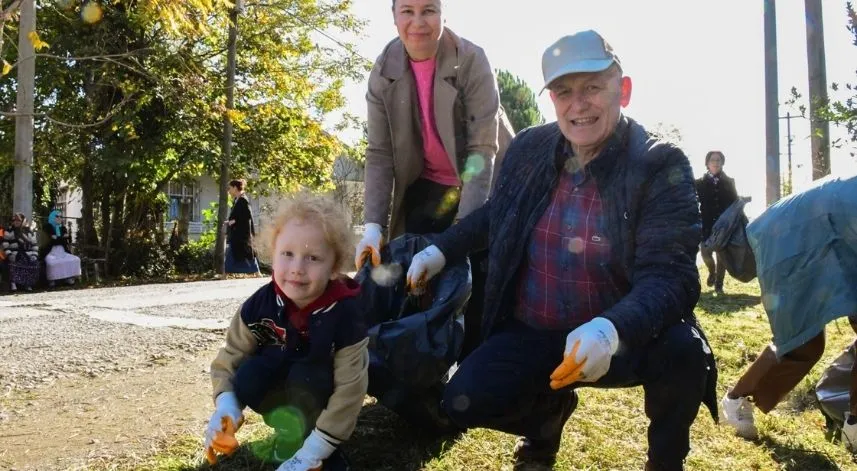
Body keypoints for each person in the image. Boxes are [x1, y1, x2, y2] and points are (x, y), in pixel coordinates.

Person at [406, 30, 717, 470]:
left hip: (621, 333)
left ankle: (665, 462)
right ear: (551, 99)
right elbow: (499, 214)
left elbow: (672, 277)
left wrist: (610, 329)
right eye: (563, 91)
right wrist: (439, 252)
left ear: (623, 91)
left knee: (684, 351)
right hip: (535, 329)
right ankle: (545, 422)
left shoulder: (658, 163)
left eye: (592, 87)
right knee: (463, 400)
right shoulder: (530, 148)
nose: (578, 105)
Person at [205, 192, 368, 471]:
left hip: (319, 391)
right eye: (287, 254)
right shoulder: (259, 304)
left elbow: (350, 391)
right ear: (272, 254)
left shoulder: (346, 314)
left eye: (313, 257)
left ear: (333, 267)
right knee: (249, 375)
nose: (297, 269)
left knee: (306, 377)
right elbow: (230, 356)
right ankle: (289, 433)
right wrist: (226, 408)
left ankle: (320, 448)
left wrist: (315, 451)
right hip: (281, 385)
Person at [720, 173, 857, 449]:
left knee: (806, 343)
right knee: (801, 342)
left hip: (823, 231)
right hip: (790, 238)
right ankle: (735, 400)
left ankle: (853, 425)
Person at [694, 151, 738, 294]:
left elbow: (734, 202)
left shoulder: (729, 182)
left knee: (721, 255)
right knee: (705, 251)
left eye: (718, 160)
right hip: (706, 223)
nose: (715, 162)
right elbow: (693, 201)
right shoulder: (699, 183)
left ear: (722, 163)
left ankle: (719, 285)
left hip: (724, 224)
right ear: (707, 163)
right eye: (712, 160)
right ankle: (711, 271)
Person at [225, 178, 260, 275]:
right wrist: (230, 222)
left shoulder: (243, 200)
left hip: (242, 234)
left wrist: (233, 221)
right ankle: (225, 274)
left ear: (235, 188)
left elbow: (246, 216)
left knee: (245, 253)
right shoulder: (237, 200)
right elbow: (237, 215)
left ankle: (225, 274)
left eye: (230, 188)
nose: (229, 191)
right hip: (237, 233)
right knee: (236, 253)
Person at [43, 209, 82, 287]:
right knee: (52, 263)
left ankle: (68, 278)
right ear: (52, 217)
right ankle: (52, 280)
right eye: (57, 216)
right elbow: (51, 241)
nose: (59, 218)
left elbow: (67, 240)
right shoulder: (47, 227)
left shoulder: (63, 228)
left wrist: (58, 238)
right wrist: (61, 238)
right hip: (51, 251)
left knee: (75, 259)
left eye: (61, 216)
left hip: (62, 251)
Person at [3, 213, 40, 292]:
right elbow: (5, 245)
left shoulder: (29, 231)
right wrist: (9, 254)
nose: (16, 222)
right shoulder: (9, 231)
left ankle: (27, 283)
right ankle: (13, 283)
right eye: (14, 220)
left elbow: (34, 245)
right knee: (16, 261)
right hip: (14, 252)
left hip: (28, 252)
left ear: (23, 221)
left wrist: (35, 254)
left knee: (33, 262)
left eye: (18, 220)